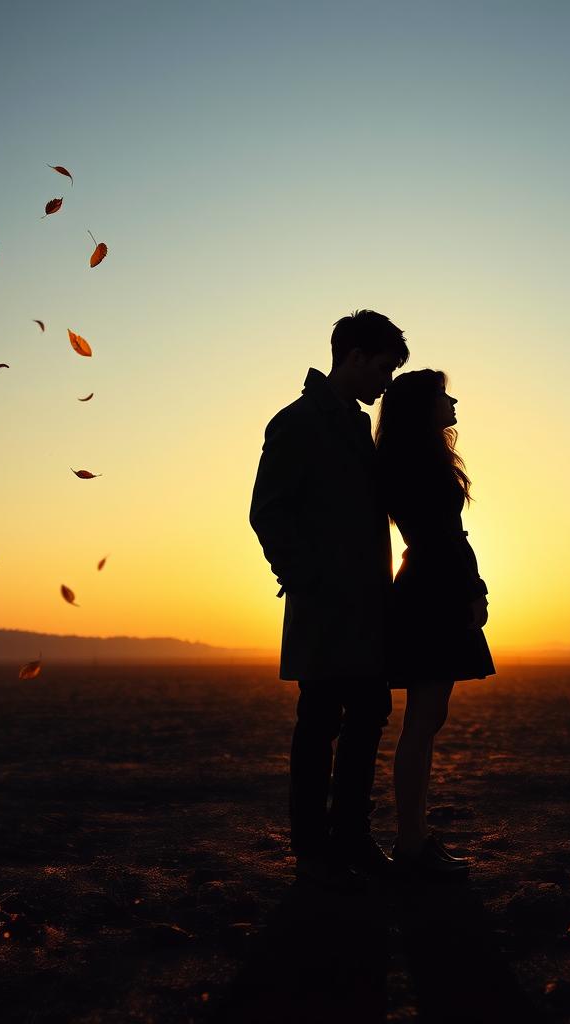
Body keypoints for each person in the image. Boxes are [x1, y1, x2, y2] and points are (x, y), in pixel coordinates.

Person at [250, 310, 409, 889]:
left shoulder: (352, 426)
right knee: (319, 725)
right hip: (324, 608)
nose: (386, 382)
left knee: (368, 717)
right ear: (357, 356)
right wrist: (307, 579)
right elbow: (267, 512)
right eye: (385, 367)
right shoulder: (295, 423)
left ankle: (352, 838)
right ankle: (313, 850)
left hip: (367, 608)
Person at [374, 369, 495, 878]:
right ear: (424, 406)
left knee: (426, 723)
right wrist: (472, 588)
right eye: (444, 395)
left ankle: (415, 838)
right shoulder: (418, 462)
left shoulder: (413, 458)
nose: (454, 401)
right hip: (433, 589)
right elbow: (443, 537)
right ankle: (411, 842)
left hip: (430, 583)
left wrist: (473, 585)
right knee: (421, 725)